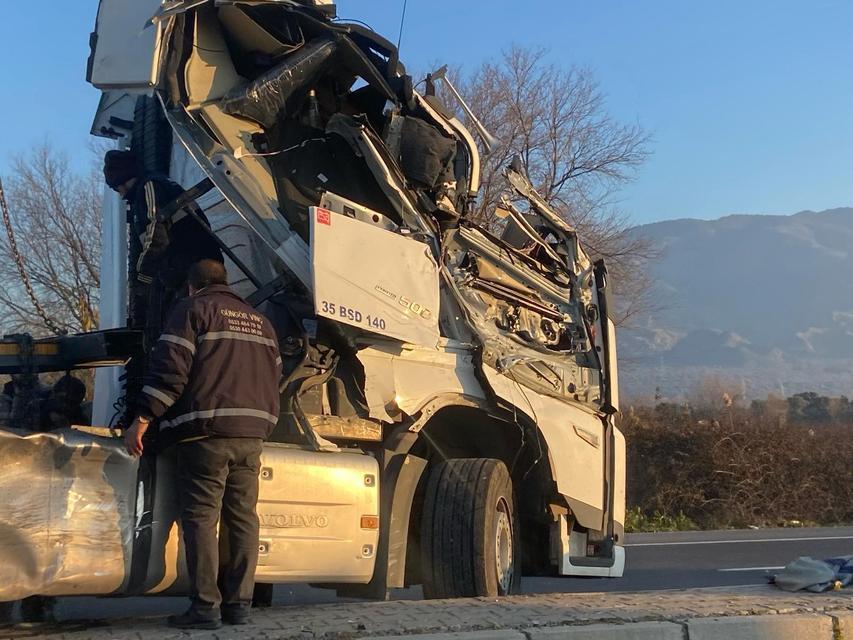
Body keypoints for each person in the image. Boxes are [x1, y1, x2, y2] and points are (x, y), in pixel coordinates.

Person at [123, 259, 282, 630]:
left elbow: (170, 369)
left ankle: (205, 607)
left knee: (201, 520)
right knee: (243, 519)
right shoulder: (260, 321)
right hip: (250, 434)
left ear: (193, 286)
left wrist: (143, 417)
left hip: (206, 434)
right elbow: (274, 376)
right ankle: (239, 605)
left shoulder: (194, 310)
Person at [102, 149, 223, 346]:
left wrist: (143, 275)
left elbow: (155, 234)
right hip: (199, 261)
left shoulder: (149, 186)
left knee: (173, 324)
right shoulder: (162, 184)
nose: (121, 194)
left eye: (118, 188)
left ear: (123, 179)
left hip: (187, 262)